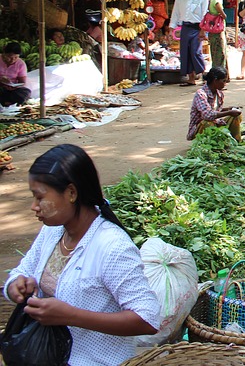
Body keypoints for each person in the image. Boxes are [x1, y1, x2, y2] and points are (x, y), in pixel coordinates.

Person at [3, 145, 160, 365]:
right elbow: (22, 271)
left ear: (71, 193)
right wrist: (15, 286)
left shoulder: (112, 247)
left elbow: (147, 319)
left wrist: (71, 316)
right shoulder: (53, 231)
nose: (33, 207)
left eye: (39, 197)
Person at [169, 0, 207, 86]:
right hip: (185, 27)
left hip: (198, 27)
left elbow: (205, 14)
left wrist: (203, 30)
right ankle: (191, 78)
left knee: (196, 52)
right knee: (185, 52)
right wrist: (171, 28)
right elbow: (175, 13)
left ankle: (204, 77)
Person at [187, 66, 242, 142]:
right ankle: (207, 143)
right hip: (201, 127)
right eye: (223, 81)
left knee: (236, 116)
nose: (225, 84)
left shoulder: (219, 94)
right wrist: (229, 112)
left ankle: (235, 141)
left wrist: (228, 109)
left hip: (216, 123)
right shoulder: (201, 94)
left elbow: (215, 110)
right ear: (215, 81)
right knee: (208, 123)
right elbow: (208, 115)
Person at [205, 0, 229, 79]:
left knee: (215, 54)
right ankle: (219, 78)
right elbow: (224, 16)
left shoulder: (210, 0)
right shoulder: (216, 1)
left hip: (213, 32)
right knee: (220, 55)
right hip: (218, 33)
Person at [0, 41, 30, 106]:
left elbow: (22, 81)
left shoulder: (21, 64)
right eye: (10, 57)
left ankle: (6, 102)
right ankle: (7, 102)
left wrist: (14, 86)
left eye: (16, 57)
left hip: (13, 89)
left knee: (25, 92)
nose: (12, 60)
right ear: (4, 54)